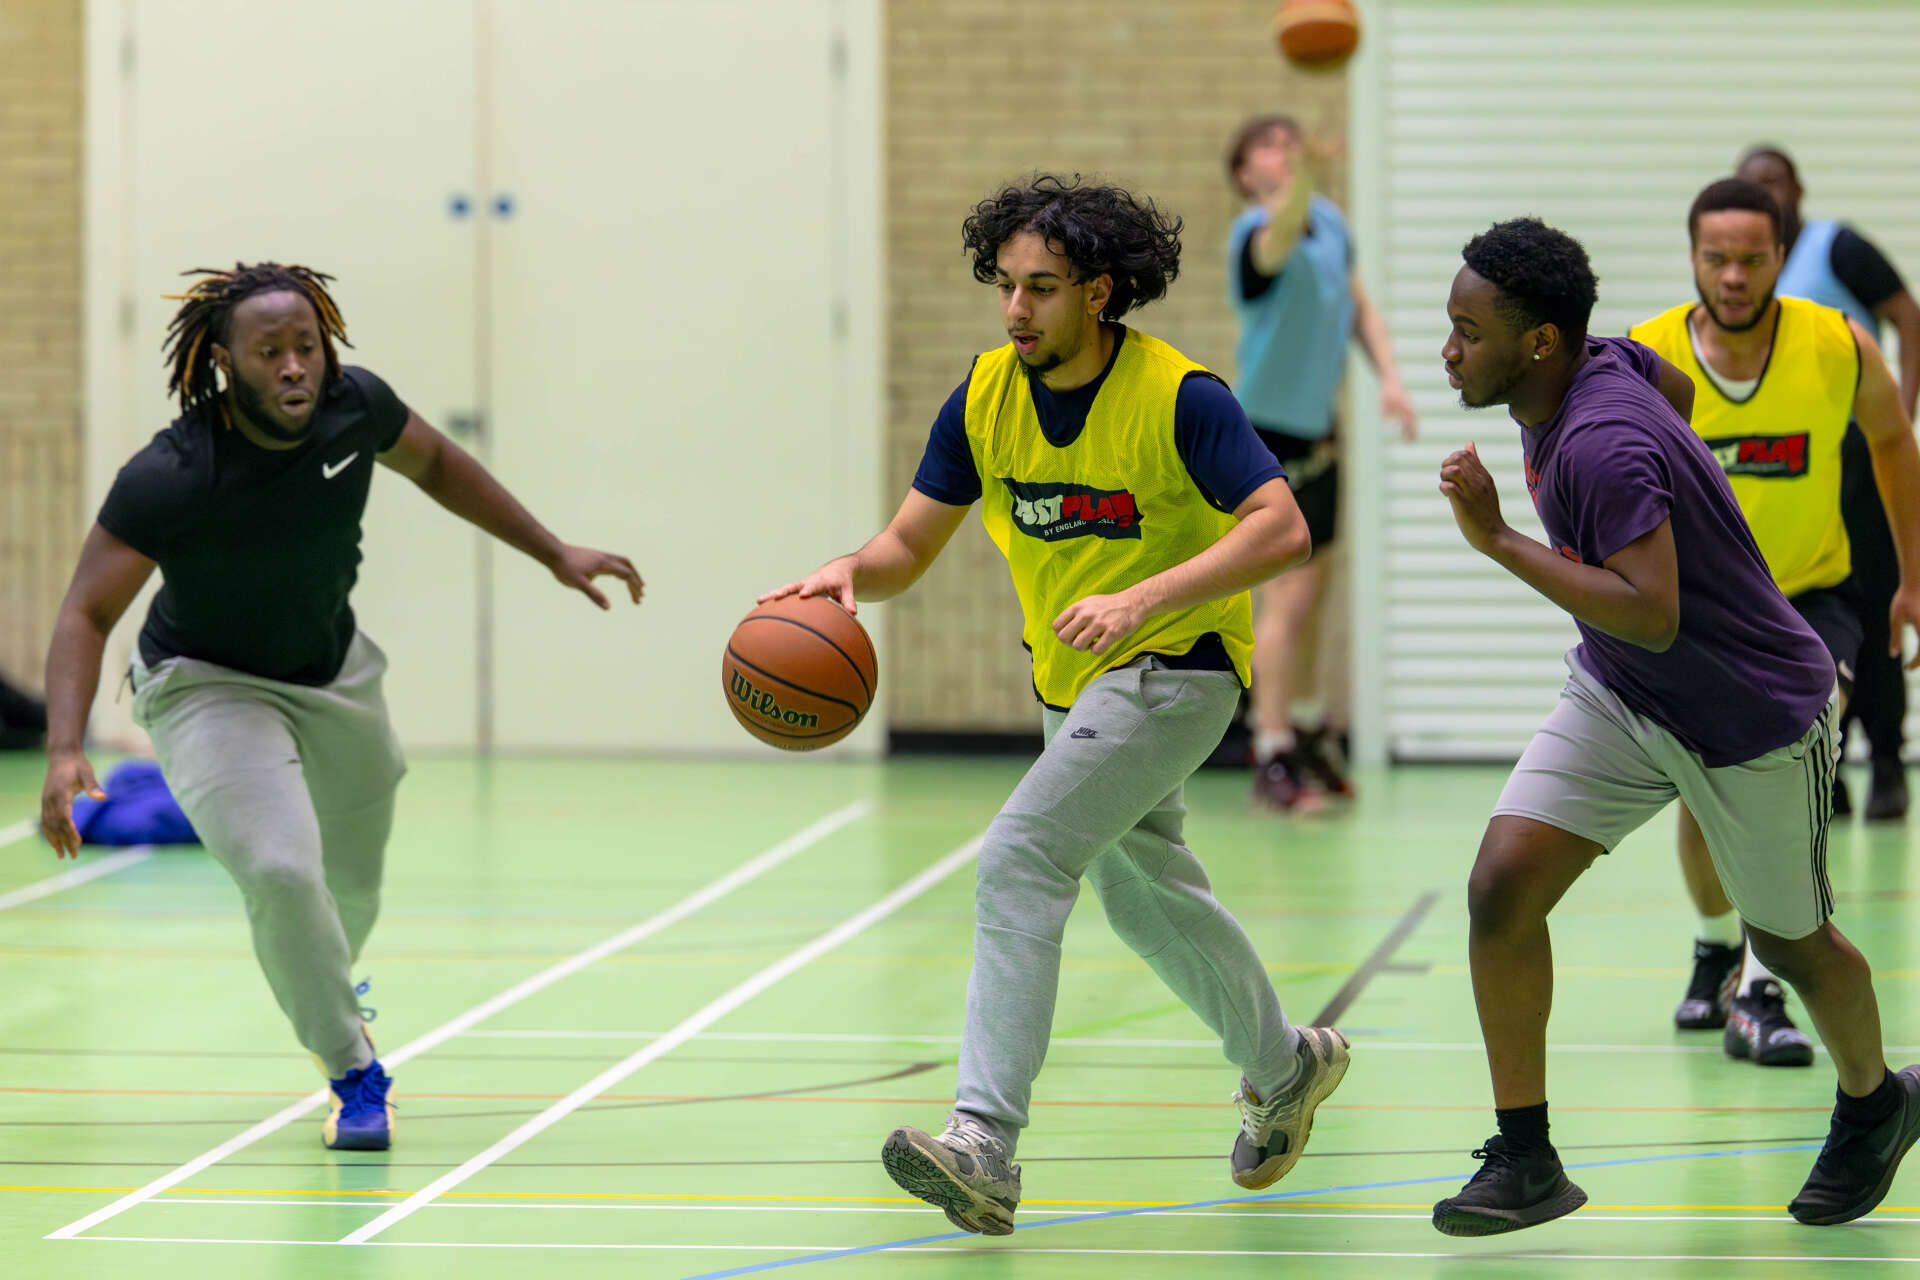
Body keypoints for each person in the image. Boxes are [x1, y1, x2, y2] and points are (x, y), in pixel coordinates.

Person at [762, 175, 1348, 1236]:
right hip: (1074, 683)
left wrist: (1143, 597)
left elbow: (1284, 528)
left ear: (1099, 292)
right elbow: (908, 544)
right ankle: (1284, 1066)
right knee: (1145, 896)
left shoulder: (1182, 397)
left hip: (1176, 667)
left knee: (1021, 854)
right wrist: (849, 572)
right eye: (1005, 285)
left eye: (1041, 287)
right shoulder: (983, 397)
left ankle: (983, 1141)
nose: (1017, 308)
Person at [38, 264, 642, 1151]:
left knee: (346, 886)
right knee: (282, 869)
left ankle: (326, 979)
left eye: (307, 346)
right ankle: (354, 1072)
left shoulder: (356, 407)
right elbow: (86, 612)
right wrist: (63, 747)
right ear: (225, 363)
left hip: (334, 671)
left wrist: (552, 551)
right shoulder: (174, 473)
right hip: (207, 683)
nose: (294, 366)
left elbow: (437, 462)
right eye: (269, 352)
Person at [1430, 217, 1920, 1236]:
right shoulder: (1605, 362)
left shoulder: (1601, 443)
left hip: (1751, 716)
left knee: (1790, 945)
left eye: (1468, 333)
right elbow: (1680, 394)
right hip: (1623, 693)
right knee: (1501, 889)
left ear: (1539, 342)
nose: (1449, 350)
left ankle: (1878, 1103)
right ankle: (1525, 1157)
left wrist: (1498, 538)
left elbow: (1652, 610)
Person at [1629, 178, 1920, 1066]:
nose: (1734, 275)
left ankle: (1760, 988)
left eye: (1753, 258)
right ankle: (1716, 948)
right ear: (1693, 258)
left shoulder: (1837, 343)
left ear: (1782, 258)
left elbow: (1893, 441)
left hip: (1810, 605)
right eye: (1716, 258)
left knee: (1794, 763)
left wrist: (1911, 580)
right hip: (1701, 611)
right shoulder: (1647, 358)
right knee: (1702, 795)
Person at [1224, 115, 1417, 810]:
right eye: (1268, 144)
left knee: (1318, 594)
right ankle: (1270, 748)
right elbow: (1280, 241)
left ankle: (1305, 729)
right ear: (1245, 174)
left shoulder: (1331, 221)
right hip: (1265, 436)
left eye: (1290, 138)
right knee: (1288, 599)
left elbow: (1359, 307)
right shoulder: (1252, 235)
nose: (1284, 148)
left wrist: (1390, 378)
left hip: (1320, 432)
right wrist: (1304, 172)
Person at [1739, 145, 1920, 821]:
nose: (1764, 193)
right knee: (1799, 610)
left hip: (1854, 453)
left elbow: (1909, 317)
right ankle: (1826, 773)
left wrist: (1897, 416)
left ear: (1798, 189)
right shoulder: (1747, 269)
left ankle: (1889, 765)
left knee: (1873, 603)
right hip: (1787, 459)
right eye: (1750, 184)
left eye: (1774, 181)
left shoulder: (1837, 248)